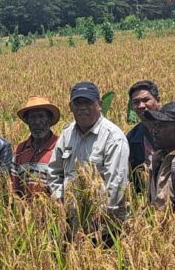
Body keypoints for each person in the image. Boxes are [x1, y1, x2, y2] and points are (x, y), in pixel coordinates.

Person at [48, 81, 130, 223]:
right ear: (70, 107)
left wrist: (103, 215)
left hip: (104, 220)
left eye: (88, 102)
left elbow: (116, 182)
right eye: (77, 103)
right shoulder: (67, 134)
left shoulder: (113, 137)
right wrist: (59, 199)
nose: (82, 108)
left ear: (99, 104)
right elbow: (54, 171)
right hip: (70, 218)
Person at [12, 96, 60, 198]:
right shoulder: (19, 150)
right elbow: (14, 190)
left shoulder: (60, 148)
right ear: (27, 121)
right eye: (33, 117)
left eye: (41, 116)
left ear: (49, 119)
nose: (37, 122)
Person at [126, 80, 160, 193]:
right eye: (136, 102)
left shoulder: (174, 129)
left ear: (158, 100)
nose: (141, 106)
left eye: (146, 100)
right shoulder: (132, 137)